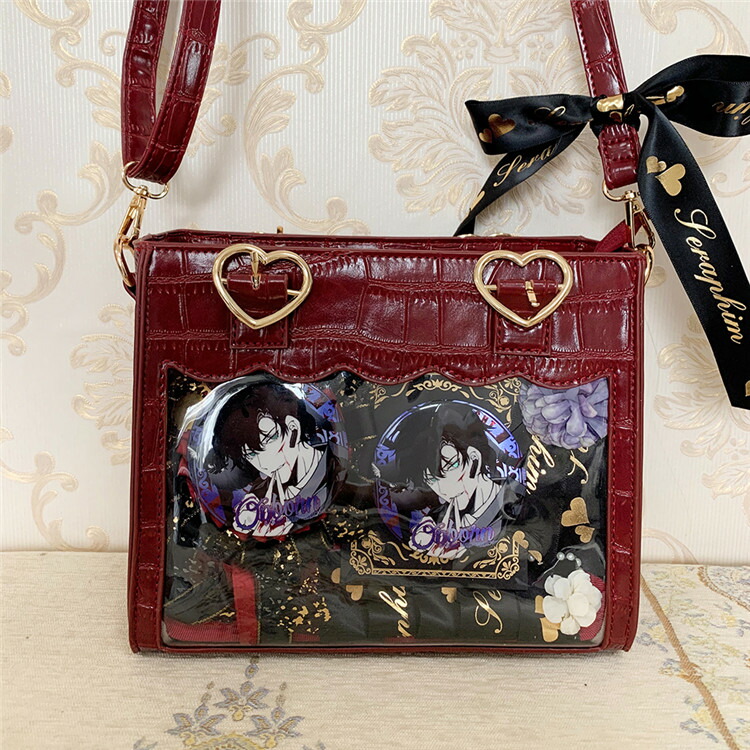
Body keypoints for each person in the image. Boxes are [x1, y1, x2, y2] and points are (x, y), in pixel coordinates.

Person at [380, 401, 524, 559]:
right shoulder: (435, 520)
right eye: (430, 480)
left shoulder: (516, 502)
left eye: (448, 467)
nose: (442, 487)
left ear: (474, 459)